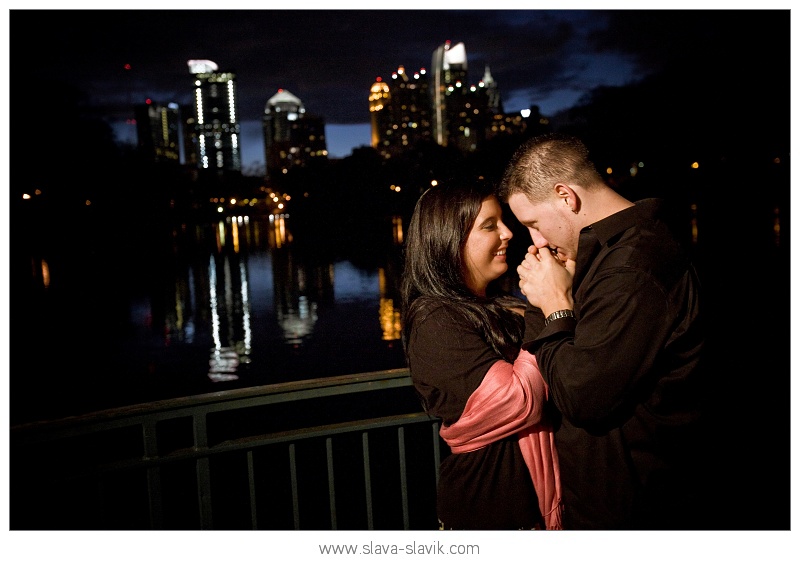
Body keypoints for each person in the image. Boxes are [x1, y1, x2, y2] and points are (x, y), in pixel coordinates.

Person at [499, 133, 705, 529]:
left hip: (635, 507)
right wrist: (555, 296)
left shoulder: (632, 267)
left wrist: (554, 304)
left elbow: (583, 396)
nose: (536, 240)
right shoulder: (611, 254)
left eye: (533, 223)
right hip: (612, 496)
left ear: (566, 196)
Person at [400, 181, 562, 530]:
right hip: (491, 508)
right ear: (449, 239)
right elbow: (520, 399)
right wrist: (545, 304)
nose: (507, 232)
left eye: (502, 221)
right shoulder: (434, 319)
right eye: (489, 226)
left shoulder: (502, 306)